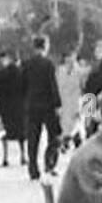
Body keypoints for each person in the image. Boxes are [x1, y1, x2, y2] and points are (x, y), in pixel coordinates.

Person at [21, 35, 63, 181]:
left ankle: (33, 168)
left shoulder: (26, 64)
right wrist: (58, 104)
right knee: (54, 136)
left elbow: (22, 85)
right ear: (46, 46)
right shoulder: (48, 64)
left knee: (33, 138)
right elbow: (53, 85)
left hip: (31, 105)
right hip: (48, 105)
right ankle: (49, 162)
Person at [0, 49, 26, 167]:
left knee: (4, 133)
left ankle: (5, 157)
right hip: (19, 106)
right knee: (21, 133)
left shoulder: (1, 73)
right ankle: (23, 156)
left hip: (5, 107)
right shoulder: (20, 72)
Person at [56, 50, 84, 150]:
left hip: (76, 104)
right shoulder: (60, 70)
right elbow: (56, 87)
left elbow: (87, 90)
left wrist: (87, 109)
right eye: (67, 57)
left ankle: (71, 142)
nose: (69, 60)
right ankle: (66, 142)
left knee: (77, 126)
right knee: (65, 128)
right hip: (63, 104)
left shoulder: (80, 71)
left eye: (72, 57)